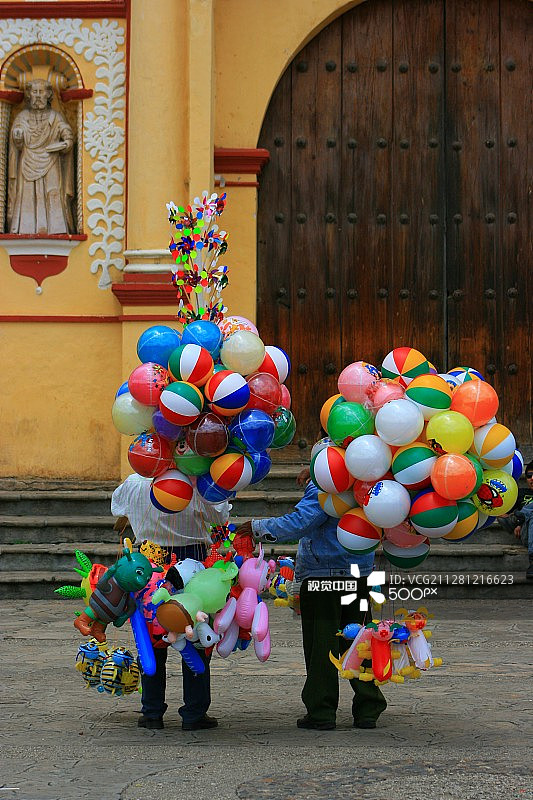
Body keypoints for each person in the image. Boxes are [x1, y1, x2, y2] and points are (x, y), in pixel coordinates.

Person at [234, 476, 387, 731]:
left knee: (322, 644)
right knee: (359, 641)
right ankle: (368, 708)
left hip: (323, 574)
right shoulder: (370, 477)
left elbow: (302, 521)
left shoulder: (328, 477)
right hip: (359, 571)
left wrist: (257, 527)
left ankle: (322, 710)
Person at [111, 473, 230, 730]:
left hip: (147, 567)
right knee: (195, 633)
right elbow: (219, 515)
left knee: (152, 639)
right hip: (192, 566)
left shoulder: (135, 482)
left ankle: (152, 711)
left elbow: (116, 507)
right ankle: (194, 712)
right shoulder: (200, 483)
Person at [8, 79, 74, 234]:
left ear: (49, 94)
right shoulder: (23, 116)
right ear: (29, 95)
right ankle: (25, 228)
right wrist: (17, 135)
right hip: (28, 163)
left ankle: (55, 228)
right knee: (27, 194)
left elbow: (66, 133)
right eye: (34, 92)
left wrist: (66, 142)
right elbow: (17, 136)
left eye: (41, 92)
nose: (38, 96)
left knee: (53, 192)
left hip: (50, 161)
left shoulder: (55, 117)